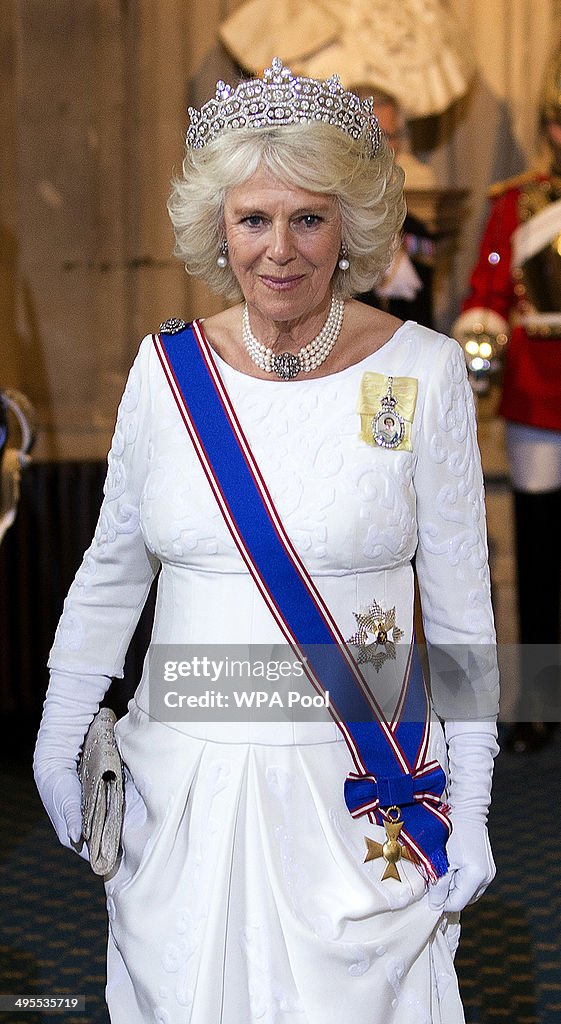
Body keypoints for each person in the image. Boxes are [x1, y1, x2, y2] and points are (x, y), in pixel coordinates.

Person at [34, 59, 499, 1023]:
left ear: (351, 228)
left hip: (353, 793)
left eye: (307, 218)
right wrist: (58, 724)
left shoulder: (422, 372)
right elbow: (111, 572)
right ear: (219, 229)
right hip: (186, 791)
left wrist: (477, 793)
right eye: (253, 219)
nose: (278, 250)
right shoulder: (167, 372)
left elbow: (460, 612)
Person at [454, 46, 561, 754]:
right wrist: (481, 340)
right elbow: (483, 299)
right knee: (540, 555)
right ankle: (540, 701)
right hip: (535, 400)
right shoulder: (514, 205)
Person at [354, 87, 436, 328]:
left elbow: (424, 323)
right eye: (370, 135)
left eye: (389, 136)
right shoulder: (320, 222)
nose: (380, 147)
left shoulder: (416, 231)